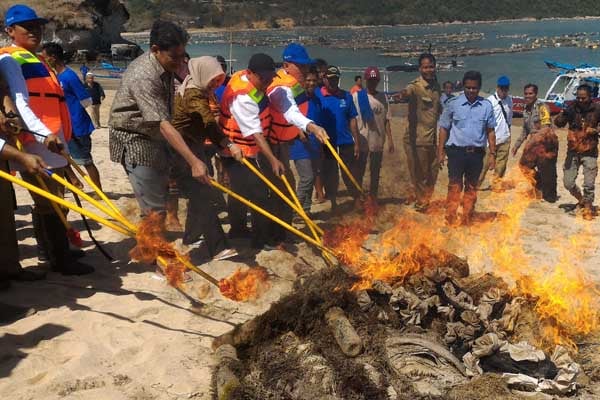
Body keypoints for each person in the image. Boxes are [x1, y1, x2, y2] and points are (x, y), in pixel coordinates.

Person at [2, 4, 93, 275]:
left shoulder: (36, 58)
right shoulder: (11, 59)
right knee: (50, 200)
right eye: (27, 27)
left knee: (56, 197)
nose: (35, 31)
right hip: (37, 139)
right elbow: (20, 105)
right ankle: (58, 258)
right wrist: (42, 135)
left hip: (53, 137)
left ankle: (53, 253)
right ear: (10, 31)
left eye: (37, 26)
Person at [109, 21, 208, 223]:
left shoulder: (166, 64)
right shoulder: (143, 74)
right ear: (155, 50)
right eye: (175, 57)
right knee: (153, 210)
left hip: (155, 136)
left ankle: (160, 241)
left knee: (163, 193)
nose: (181, 62)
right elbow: (162, 123)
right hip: (134, 138)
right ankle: (152, 252)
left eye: (183, 56)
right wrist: (194, 161)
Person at [171, 56, 240, 260]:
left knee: (199, 194)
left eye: (219, 80)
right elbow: (208, 122)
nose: (215, 84)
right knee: (202, 195)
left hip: (192, 147)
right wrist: (227, 143)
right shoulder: (193, 93)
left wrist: (224, 144)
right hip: (181, 152)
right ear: (203, 74)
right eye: (213, 80)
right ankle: (218, 247)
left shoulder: (200, 89)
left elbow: (207, 126)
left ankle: (191, 237)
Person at [263, 43, 329, 244]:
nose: (305, 71)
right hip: (269, 145)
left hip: (282, 144)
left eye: (306, 67)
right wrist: (312, 127)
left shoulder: (292, 83)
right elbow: (290, 111)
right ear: (287, 65)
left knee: (286, 186)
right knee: (279, 188)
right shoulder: (281, 87)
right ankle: (275, 235)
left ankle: (283, 231)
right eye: (300, 67)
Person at [218, 53, 283, 249]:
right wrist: (272, 159)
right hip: (237, 151)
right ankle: (260, 239)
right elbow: (254, 132)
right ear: (250, 73)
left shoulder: (247, 80)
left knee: (239, 190)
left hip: (243, 148)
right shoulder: (243, 97)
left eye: (271, 78)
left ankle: (237, 229)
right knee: (260, 194)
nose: (267, 82)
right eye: (263, 79)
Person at [438, 70, 496, 226]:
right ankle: (450, 217)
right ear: (463, 86)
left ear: (479, 88)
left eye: (475, 88)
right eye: (468, 87)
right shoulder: (453, 104)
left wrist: (492, 154)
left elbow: (490, 131)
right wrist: (440, 151)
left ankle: (467, 217)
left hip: (476, 155)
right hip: (456, 153)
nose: (471, 91)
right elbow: (443, 128)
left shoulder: (486, 106)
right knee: (455, 186)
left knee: (471, 187)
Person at [42, 42, 103, 190]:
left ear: (53, 58)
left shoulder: (69, 76)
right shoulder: (56, 77)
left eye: (45, 58)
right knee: (62, 156)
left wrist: (74, 115)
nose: (43, 61)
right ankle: (74, 181)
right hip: (64, 126)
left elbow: (86, 100)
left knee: (86, 161)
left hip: (78, 126)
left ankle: (98, 190)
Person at [396, 53, 442, 211]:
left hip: (432, 139)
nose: (429, 69)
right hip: (418, 139)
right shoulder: (415, 86)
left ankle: (423, 198)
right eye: (425, 67)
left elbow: (437, 109)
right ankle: (422, 202)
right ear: (420, 68)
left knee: (434, 171)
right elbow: (407, 91)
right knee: (420, 173)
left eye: (431, 66)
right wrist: (402, 95)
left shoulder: (436, 86)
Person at [554, 84, 600, 220]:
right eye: (578, 98)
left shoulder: (597, 109)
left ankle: (588, 207)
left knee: (589, 184)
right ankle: (582, 200)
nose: (580, 101)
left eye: (583, 98)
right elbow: (558, 123)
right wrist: (562, 114)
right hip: (573, 151)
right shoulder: (571, 108)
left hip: (590, 151)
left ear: (590, 97)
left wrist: (596, 130)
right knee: (568, 183)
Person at [320, 65, 360, 211]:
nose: (333, 82)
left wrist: (356, 142)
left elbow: (353, 120)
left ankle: (356, 199)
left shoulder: (347, 96)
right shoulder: (319, 96)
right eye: (330, 79)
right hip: (327, 142)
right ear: (324, 79)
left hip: (346, 142)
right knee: (330, 175)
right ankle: (333, 202)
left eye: (336, 79)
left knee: (349, 172)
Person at [352, 66, 394, 199]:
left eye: (375, 80)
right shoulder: (357, 97)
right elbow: (351, 119)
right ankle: (358, 196)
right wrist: (354, 141)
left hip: (378, 140)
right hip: (363, 140)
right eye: (370, 80)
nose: (372, 82)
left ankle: (373, 198)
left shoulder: (383, 97)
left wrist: (390, 140)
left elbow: (387, 119)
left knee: (375, 172)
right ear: (365, 80)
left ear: (378, 81)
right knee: (360, 171)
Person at [512, 83, 557, 203]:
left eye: (530, 93)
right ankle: (539, 184)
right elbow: (525, 130)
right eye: (526, 94)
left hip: (545, 143)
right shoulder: (526, 110)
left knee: (546, 170)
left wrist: (534, 141)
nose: (528, 96)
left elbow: (546, 128)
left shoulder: (543, 107)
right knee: (524, 167)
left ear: (536, 94)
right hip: (532, 144)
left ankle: (546, 194)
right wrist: (517, 145)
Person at [289, 69, 323, 215]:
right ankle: (294, 210)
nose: (311, 83)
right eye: (308, 80)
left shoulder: (316, 99)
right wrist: (298, 130)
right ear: (303, 81)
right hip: (299, 145)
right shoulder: (297, 97)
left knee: (312, 176)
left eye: (314, 81)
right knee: (307, 178)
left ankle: (305, 211)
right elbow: (288, 116)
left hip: (314, 144)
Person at [478, 76, 512, 191]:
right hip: (491, 140)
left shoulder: (510, 100)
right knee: (484, 165)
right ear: (497, 87)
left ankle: (496, 186)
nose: (504, 91)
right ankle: (475, 185)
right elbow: (483, 122)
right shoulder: (489, 101)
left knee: (501, 166)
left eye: (506, 88)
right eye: (502, 88)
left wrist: (508, 133)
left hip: (505, 138)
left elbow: (509, 118)